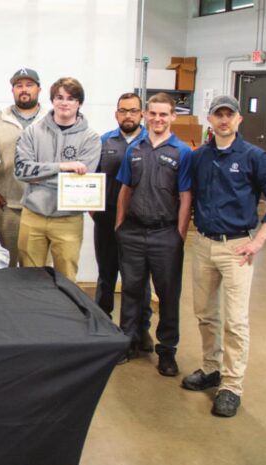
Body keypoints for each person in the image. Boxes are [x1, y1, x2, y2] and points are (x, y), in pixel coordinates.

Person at [182, 95, 266, 417]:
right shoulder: (199, 157)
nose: (223, 120)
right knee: (205, 313)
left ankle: (231, 386)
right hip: (203, 244)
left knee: (235, 321)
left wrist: (258, 242)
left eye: (228, 115)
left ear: (238, 119)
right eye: (218, 115)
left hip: (237, 248)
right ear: (210, 119)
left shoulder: (254, 157)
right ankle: (211, 368)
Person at [115, 92, 192, 376]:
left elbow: (186, 196)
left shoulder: (182, 152)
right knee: (131, 290)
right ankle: (128, 342)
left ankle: (167, 351)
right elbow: (126, 189)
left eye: (164, 114)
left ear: (173, 117)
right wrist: (120, 225)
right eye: (153, 114)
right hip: (133, 232)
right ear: (146, 115)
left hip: (165, 234)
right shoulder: (135, 149)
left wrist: (179, 235)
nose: (158, 119)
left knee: (168, 294)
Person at [14, 77, 101, 283]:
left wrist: (38, 176)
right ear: (52, 100)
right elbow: (21, 171)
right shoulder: (32, 132)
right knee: (28, 278)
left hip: (68, 219)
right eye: (59, 97)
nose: (64, 103)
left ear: (79, 103)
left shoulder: (91, 138)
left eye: (71, 99)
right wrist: (62, 167)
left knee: (66, 279)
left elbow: (80, 184)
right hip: (33, 215)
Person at [95, 93, 153, 353]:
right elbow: (93, 178)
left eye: (133, 110)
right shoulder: (104, 142)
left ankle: (141, 330)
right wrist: (94, 211)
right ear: (116, 114)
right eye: (123, 110)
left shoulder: (151, 142)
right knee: (106, 275)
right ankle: (102, 326)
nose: (128, 115)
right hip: (106, 219)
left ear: (142, 114)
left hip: (138, 221)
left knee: (138, 280)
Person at [0, 68, 45, 265]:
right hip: (7, 206)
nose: (24, 89)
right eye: (19, 85)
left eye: (29, 85)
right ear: (12, 90)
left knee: (37, 269)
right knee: (5, 265)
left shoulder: (51, 120)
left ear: (39, 89)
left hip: (42, 207)